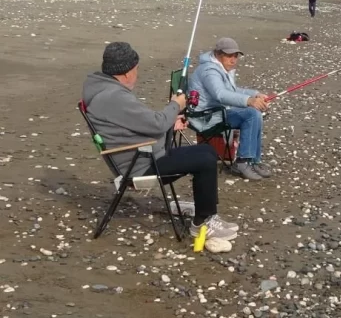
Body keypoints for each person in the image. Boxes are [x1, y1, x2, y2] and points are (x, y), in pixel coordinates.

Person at [82, 42, 238, 241]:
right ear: (127, 72)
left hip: (142, 154)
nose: (137, 74)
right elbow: (155, 124)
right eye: (136, 69)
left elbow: (134, 124)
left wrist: (169, 124)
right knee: (205, 160)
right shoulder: (113, 97)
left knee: (206, 151)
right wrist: (176, 105)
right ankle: (202, 223)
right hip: (140, 165)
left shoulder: (103, 89)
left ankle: (207, 212)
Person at [188, 37, 272, 181]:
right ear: (218, 54)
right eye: (229, 56)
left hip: (216, 111)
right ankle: (242, 161)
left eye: (236, 56)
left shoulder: (221, 67)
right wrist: (249, 101)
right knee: (251, 114)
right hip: (204, 117)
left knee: (255, 112)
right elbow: (220, 94)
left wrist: (255, 94)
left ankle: (252, 160)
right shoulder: (210, 71)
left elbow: (232, 90)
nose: (233, 60)